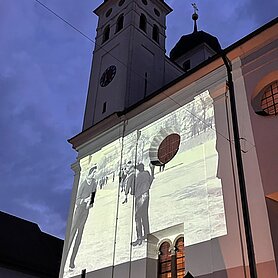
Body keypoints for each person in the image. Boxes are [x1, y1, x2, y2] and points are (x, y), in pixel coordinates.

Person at [67, 165, 98, 269]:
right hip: (79, 210)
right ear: (90, 173)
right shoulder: (83, 183)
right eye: (94, 173)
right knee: (72, 234)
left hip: (85, 211)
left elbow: (93, 199)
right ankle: (66, 256)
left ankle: (72, 261)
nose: (95, 175)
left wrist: (90, 202)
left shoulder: (94, 183)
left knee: (79, 235)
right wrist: (84, 200)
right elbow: (77, 199)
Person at [130, 163, 153, 246]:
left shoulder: (137, 177)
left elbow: (132, 191)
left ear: (138, 170)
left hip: (139, 197)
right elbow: (151, 181)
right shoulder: (147, 173)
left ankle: (139, 238)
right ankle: (147, 235)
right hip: (146, 195)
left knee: (137, 217)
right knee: (145, 216)